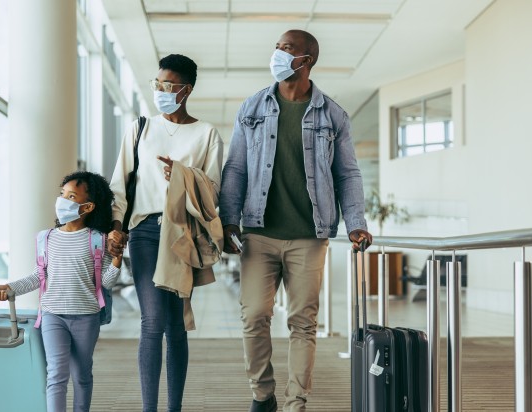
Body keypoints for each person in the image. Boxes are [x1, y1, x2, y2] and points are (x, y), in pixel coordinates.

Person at [219, 30, 374, 412]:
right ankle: (262, 393)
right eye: (276, 47)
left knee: (303, 322)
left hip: (310, 235)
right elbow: (235, 169)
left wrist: (356, 220)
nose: (277, 53)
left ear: (307, 59)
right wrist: (228, 221)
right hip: (259, 233)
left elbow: (348, 174)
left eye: (286, 49)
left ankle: (295, 402)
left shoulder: (332, 114)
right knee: (254, 315)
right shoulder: (252, 108)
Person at [109, 54, 224, 412]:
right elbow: (119, 184)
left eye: (168, 85)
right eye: (156, 84)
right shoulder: (140, 127)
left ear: (186, 89)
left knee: (175, 324)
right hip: (145, 231)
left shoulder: (206, 134)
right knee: (153, 320)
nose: (160, 90)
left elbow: (214, 190)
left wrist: (184, 174)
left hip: (183, 233)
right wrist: (116, 226)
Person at [0, 171, 123, 412]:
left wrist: (116, 260)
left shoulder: (97, 240)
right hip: (53, 316)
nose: (62, 201)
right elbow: (36, 277)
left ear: (88, 206)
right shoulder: (46, 239)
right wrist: (9, 288)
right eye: (62, 194)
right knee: (56, 375)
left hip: (86, 317)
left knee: (82, 375)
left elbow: (107, 282)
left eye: (71, 196)